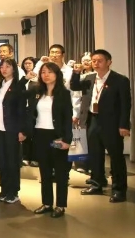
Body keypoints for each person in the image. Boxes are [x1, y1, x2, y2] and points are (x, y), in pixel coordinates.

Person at [71, 50, 131, 203]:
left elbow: (126, 105)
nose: (96, 63)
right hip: (93, 120)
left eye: (100, 60)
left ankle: (119, 189)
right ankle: (96, 183)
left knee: (116, 157)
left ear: (109, 62)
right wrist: (76, 73)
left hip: (112, 123)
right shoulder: (90, 78)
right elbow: (74, 86)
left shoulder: (120, 80)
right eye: (94, 61)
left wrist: (124, 125)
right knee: (95, 154)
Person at [24, 62, 73, 218]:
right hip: (40, 135)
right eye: (43, 72)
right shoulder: (36, 91)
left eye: (50, 72)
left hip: (56, 136)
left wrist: (67, 139)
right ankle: (47, 203)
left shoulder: (64, 94)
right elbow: (22, 99)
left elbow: (67, 118)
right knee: (44, 171)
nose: (46, 75)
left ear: (57, 74)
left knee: (60, 172)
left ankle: (60, 205)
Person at [0, 58, 26, 204]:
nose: (4, 69)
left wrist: (22, 130)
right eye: (2, 66)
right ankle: (4, 188)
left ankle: (13, 191)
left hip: (12, 128)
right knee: (2, 160)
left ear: (14, 68)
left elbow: (22, 110)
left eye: (8, 66)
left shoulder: (19, 86)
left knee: (12, 160)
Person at [20, 57, 39, 167]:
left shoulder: (37, 78)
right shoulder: (22, 77)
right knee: (25, 133)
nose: (27, 65)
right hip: (24, 109)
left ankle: (35, 157)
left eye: (30, 63)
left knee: (36, 134)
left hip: (35, 109)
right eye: (25, 63)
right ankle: (25, 156)